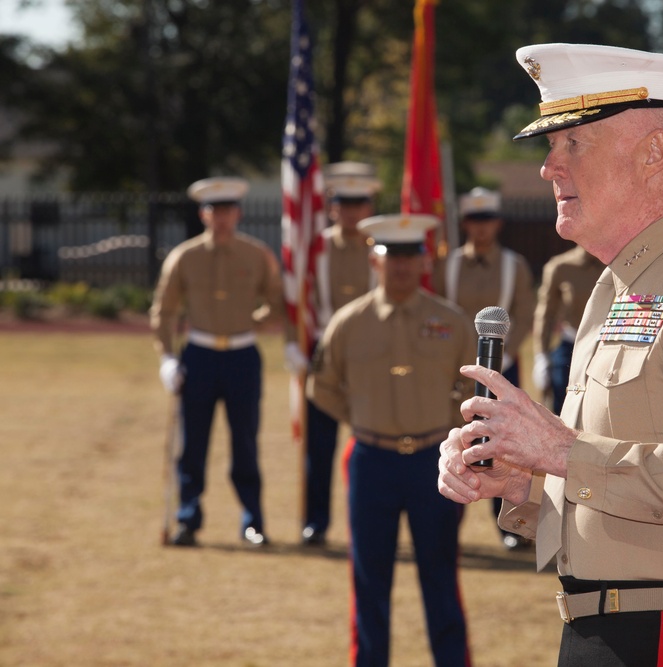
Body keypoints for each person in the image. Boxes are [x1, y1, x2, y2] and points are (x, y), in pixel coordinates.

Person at [437, 43, 663, 666]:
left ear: (654, 152)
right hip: (608, 628)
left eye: (572, 143)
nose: (548, 168)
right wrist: (525, 482)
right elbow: (620, 484)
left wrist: (560, 450)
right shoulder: (623, 287)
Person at [308, 213, 475, 667]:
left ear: (423, 260)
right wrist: (361, 419)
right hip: (371, 461)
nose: (401, 266)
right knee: (369, 580)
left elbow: (476, 389)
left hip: (433, 463)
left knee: (440, 577)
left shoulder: (451, 321)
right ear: (373, 260)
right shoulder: (348, 322)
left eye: (410, 256)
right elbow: (321, 386)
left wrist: (451, 428)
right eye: (391, 256)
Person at [150, 176, 287, 548]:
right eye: (214, 210)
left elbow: (276, 301)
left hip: (242, 356)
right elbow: (164, 311)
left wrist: (251, 322)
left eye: (227, 210)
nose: (221, 217)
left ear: (238, 213)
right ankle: (188, 518)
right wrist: (166, 358)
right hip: (199, 355)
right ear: (203, 214)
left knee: (245, 441)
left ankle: (252, 521)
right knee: (192, 443)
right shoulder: (185, 256)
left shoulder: (256, 254)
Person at [432, 186, 536, 550]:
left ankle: (507, 526)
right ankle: (446, 522)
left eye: (487, 219)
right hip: (457, 370)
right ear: (464, 223)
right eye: (474, 219)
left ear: (498, 223)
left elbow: (524, 314)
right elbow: (441, 314)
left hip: (503, 367)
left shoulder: (515, 265)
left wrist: (502, 357)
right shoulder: (448, 264)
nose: (481, 227)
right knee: (453, 443)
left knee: (502, 447)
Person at [289, 161, 381, 547]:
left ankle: (376, 519)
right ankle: (316, 521)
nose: (351, 211)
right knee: (320, 444)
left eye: (358, 203)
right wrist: (292, 343)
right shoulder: (315, 247)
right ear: (331, 207)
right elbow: (294, 295)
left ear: (369, 207)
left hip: (371, 353)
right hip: (325, 353)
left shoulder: (383, 248)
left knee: (376, 440)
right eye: (344, 203)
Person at [531, 244, 604, 414]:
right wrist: (541, 355)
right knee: (563, 408)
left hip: (609, 344)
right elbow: (545, 314)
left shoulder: (622, 261)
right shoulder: (561, 267)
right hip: (572, 346)